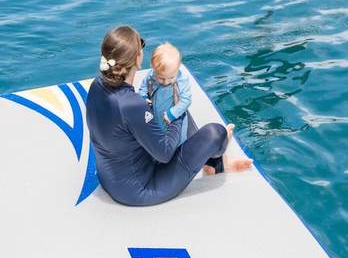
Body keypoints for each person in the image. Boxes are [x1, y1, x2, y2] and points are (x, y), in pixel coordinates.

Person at [85, 25, 252, 207]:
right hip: (141, 190)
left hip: (108, 178)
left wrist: (154, 111)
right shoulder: (132, 105)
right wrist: (176, 114)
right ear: (138, 58)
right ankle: (217, 154)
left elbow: (120, 123)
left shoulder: (97, 85)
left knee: (169, 108)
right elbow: (164, 154)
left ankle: (214, 164)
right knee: (215, 132)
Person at [138, 42, 193, 130]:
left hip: (172, 118)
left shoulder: (181, 80)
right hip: (156, 114)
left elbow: (186, 100)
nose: (166, 82)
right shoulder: (151, 75)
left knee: (175, 137)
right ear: (153, 68)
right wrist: (143, 97)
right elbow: (143, 87)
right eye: (161, 78)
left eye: (171, 77)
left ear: (178, 68)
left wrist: (172, 114)